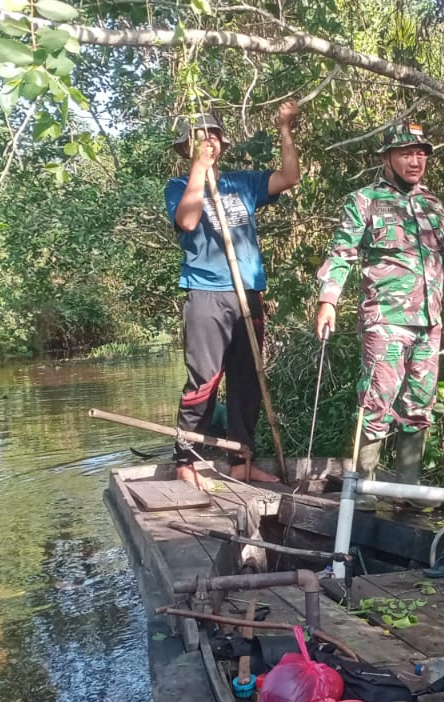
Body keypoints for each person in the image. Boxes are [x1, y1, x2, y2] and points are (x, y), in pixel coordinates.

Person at [314, 121, 444, 489]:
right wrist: (329, 301)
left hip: (429, 322)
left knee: (419, 407)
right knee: (376, 404)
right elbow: (341, 254)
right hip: (385, 320)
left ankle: (407, 490)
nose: (415, 161)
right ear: (387, 158)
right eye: (407, 153)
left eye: (421, 154)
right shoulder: (364, 201)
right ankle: (362, 490)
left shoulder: (433, 204)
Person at [165, 102, 301, 487]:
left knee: (248, 379)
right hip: (207, 293)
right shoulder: (178, 187)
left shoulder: (242, 183)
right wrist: (199, 168)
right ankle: (186, 460)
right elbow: (188, 219)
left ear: (223, 141)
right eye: (198, 138)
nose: (207, 142)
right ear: (185, 147)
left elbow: (289, 177)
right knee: (204, 380)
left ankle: (241, 460)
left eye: (212, 135)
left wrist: (284, 129)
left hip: (248, 293)